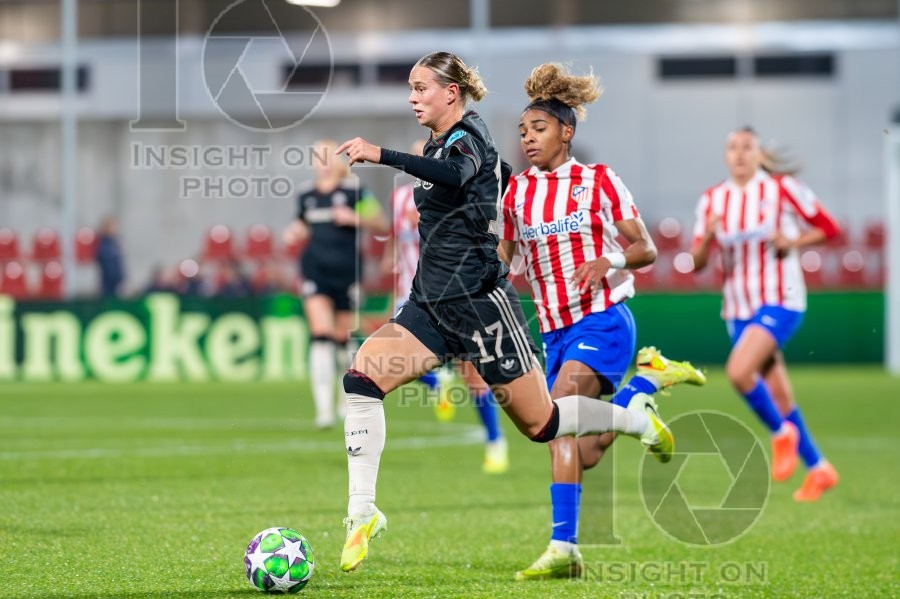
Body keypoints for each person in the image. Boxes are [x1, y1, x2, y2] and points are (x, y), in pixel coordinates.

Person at [333, 51, 674, 573]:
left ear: (451, 92)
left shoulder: (468, 136)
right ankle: (362, 513)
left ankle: (633, 418)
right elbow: (481, 179)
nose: (412, 97)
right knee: (361, 379)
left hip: (480, 306)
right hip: (431, 303)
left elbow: (457, 171)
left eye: (420, 87)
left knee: (543, 425)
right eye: (410, 88)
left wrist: (383, 154)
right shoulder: (446, 144)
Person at [497, 63, 706, 580]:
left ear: (566, 132)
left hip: (603, 320)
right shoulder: (515, 194)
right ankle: (642, 387)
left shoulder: (597, 182)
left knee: (560, 414)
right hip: (553, 331)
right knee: (581, 451)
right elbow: (503, 259)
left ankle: (564, 548)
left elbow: (646, 248)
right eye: (523, 131)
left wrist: (609, 262)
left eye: (539, 129)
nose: (528, 139)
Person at [690, 127, 841, 502]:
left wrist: (794, 242)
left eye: (747, 147)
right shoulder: (713, 199)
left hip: (781, 299)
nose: (739, 153)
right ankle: (820, 468)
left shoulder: (782, 188)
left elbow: (829, 228)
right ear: (725, 155)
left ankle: (780, 433)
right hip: (738, 308)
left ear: (759, 154)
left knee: (739, 373)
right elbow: (696, 263)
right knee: (780, 394)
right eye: (732, 147)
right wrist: (708, 237)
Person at [383, 139, 509, 473]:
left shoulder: (455, 193)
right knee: (387, 360)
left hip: (454, 295)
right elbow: (397, 241)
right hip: (411, 293)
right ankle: (438, 383)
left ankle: (495, 441)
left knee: (472, 375)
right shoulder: (398, 199)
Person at [283, 140, 389, 429]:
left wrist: (355, 218)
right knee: (320, 334)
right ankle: (323, 411)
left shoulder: (355, 190)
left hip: (347, 273)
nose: (323, 161)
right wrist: (295, 231)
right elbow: (304, 223)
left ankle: (345, 400)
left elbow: (381, 224)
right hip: (315, 270)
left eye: (328, 155)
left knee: (343, 340)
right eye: (318, 156)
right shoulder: (306, 194)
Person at [96, 216, 125, 297]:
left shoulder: (114, 243)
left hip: (117, 282)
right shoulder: (104, 244)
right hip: (109, 283)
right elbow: (107, 264)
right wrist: (116, 279)